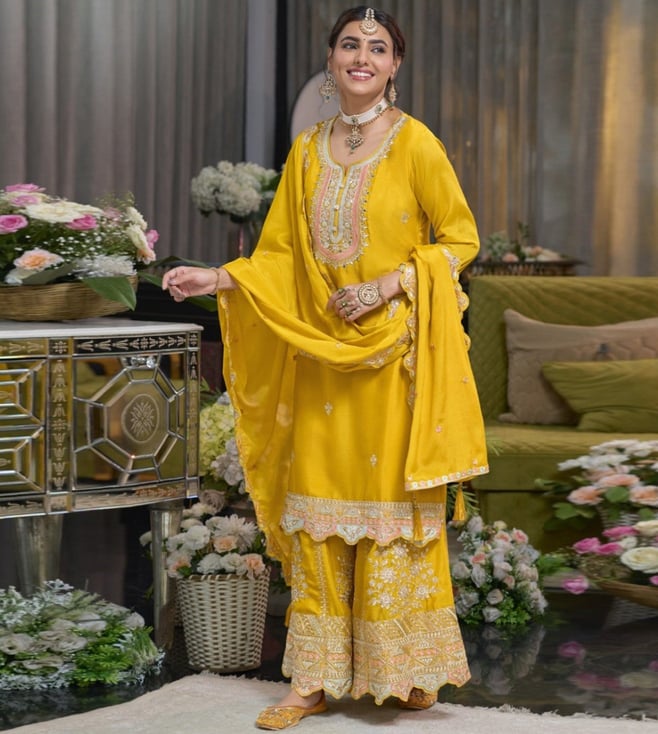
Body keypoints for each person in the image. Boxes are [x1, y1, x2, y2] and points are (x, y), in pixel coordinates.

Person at [163, 6, 488, 730]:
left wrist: (389, 285)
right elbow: (279, 255)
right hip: (319, 355)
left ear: (395, 65)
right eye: (350, 45)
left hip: (393, 360)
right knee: (318, 516)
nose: (362, 57)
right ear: (332, 60)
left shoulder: (416, 144)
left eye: (378, 47)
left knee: (389, 519)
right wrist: (217, 278)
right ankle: (311, 680)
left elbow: (461, 239)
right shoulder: (308, 151)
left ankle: (402, 669)